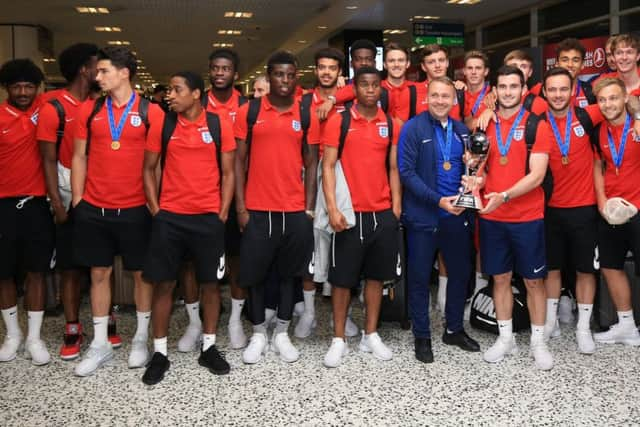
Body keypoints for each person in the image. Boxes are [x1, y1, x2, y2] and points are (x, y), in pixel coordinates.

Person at [71, 46, 164, 376]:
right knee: (99, 273)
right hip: (94, 207)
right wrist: (78, 200)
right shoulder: (90, 110)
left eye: (104, 71)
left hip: (136, 207)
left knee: (141, 274)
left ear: (125, 73)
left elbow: (157, 165)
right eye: (98, 72)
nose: (98, 77)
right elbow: (78, 156)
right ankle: (100, 344)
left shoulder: (153, 113)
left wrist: (155, 206)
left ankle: (140, 338)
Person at [141, 71, 236, 384]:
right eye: (169, 88)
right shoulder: (164, 123)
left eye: (177, 89)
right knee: (164, 285)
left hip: (208, 218)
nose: (170, 94)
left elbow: (228, 172)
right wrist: (157, 210)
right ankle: (159, 353)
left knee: (210, 284)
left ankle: (209, 347)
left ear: (196, 94)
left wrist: (222, 211)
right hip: (170, 218)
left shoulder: (218, 123)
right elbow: (149, 169)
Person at [37, 43, 122, 361]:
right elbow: (46, 160)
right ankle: (73, 327)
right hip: (70, 199)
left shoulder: (104, 105)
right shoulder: (53, 106)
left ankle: (108, 320)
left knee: (104, 266)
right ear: (84, 70)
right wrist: (57, 204)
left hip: (101, 197)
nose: (100, 72)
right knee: (71, 269)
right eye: (96, 67)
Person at [234, 51, 319, 364]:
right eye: (279, 74)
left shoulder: (304, 113)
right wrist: (240, 207)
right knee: (255, 275)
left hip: (294, 209)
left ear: (296, 77)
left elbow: (311, 163)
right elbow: (238, 161)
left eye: (290, 75)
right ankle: (258, 333)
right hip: (257, 208)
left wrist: (309, 208)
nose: (285, 80)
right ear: (268, 76)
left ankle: (282, 331)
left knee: (289, 275)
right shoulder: (251, 110)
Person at [321, 66, 402, 368]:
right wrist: (332, 208)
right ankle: (338, 339)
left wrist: (395, 207)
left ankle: (370, 334)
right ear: (354, 89)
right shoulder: (338, 121)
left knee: (376, 278)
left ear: (381, 88)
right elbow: (327, 167)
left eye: (374, 85)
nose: (370, 90)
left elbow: (393, 168)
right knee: (342, 281)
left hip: (381, 213)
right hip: (348, 214)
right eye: (364, 85)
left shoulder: (391, 124)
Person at [475, 65, 554, 371]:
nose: (508, 92)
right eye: (502, 87)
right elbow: (479, 167)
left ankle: (537, 342)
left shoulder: (538, 126)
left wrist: (503, 196)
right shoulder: (485, 125)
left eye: (514, 86)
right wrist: (476, 181)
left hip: (526, 217)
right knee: (500, 278)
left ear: (524, 90)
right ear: (495, 91)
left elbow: (537, 176)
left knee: (534, 281)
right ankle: (505, 338)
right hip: (493, 218)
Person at [398, 76, 480, 363]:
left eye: (446, 96)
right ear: (427, 97)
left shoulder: (460, 131)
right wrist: (438, 200)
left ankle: (454, 329)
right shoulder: (413, 128)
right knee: (419, 278)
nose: (441, 101)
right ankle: (422, 336)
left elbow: (467, 168)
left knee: (459, 273)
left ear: (454, 100)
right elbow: (406, 173)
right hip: (423, 217)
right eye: (435, 95)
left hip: (456, 215)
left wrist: (471, 173)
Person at [173, 48, 248, 353]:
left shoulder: (246, 106)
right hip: (196, 198)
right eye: (215, 68)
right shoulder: (195, 101)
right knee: (191, 265)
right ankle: (194, 323)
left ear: (235, 74)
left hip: (232, 195)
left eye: (225, 69)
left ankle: (235, 322)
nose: (220, 73)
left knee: (235, 260)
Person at [540, 67, 606, 353]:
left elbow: (624, 100)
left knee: (584, 270)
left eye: (563, 89)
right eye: (552, 89)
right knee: (552, 269)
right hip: (549, 209)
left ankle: (582, 328)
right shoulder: (537, 123)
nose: (557, 94)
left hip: (584, 209)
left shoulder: (586, 115)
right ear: (544, 92)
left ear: (573, 90)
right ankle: (551, 321)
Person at [0, 58, 53, 366]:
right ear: (7, 87)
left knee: (37, 271)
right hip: (4, 205)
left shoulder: (45, 108)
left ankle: (34, 337)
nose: (23, 92)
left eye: (29, 86)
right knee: (4, 273)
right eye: (17, 86)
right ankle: (12, 335)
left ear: (38, 88)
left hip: (37, 204)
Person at [592, 77, 640, 347]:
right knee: (611, 267)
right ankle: (626, 327)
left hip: (639, 208)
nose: (608, 104)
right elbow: (598, 167)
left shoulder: (637, 127)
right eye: (602, 100)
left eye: (613, 98)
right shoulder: (599, 132)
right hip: (612, 210)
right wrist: (602, 203)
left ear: (625, 99)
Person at [503, 50, 548, 115]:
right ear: (504, 71)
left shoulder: (540, 104)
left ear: (530, 72)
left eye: (523, 66)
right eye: (513, 66)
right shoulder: (493, 103)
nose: (518, 70)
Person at [382, 42, 417, 123]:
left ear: (408, 64)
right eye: (391, 61)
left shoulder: (416, 89)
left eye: (401, 60)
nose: (396, 64)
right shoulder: (375, 88)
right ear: (385, 65)